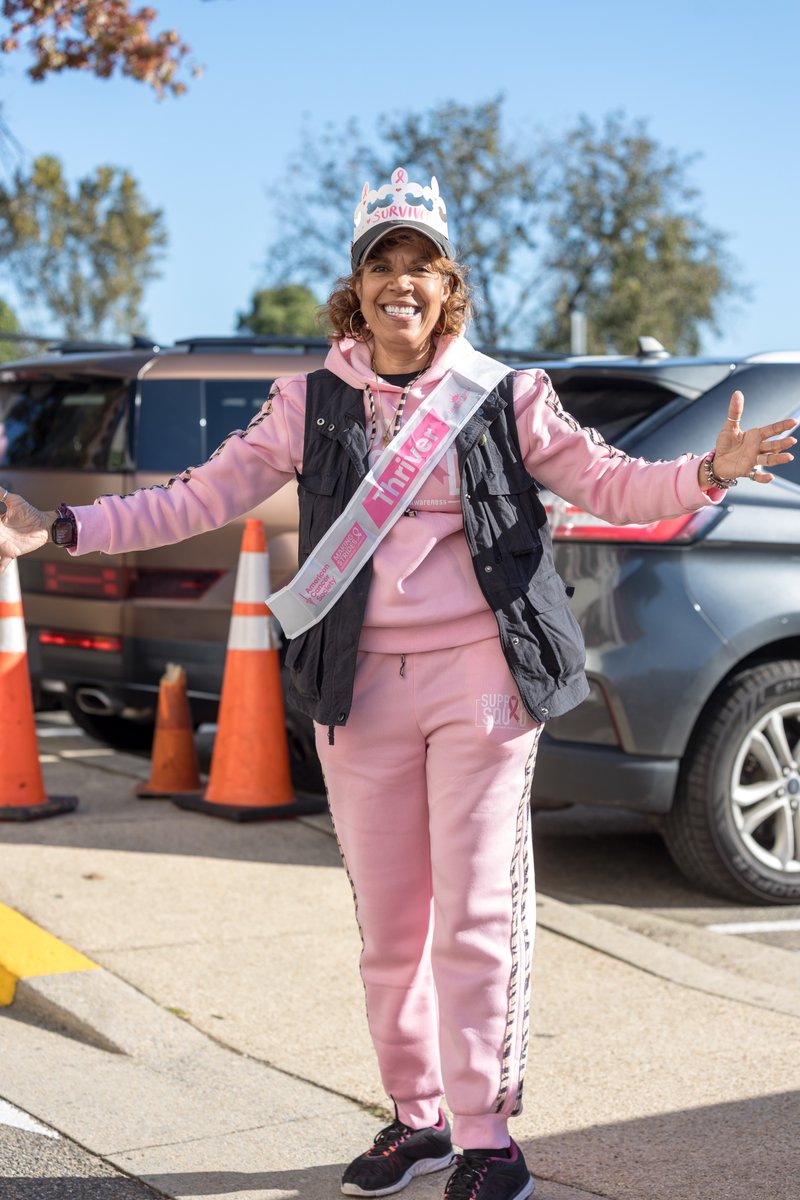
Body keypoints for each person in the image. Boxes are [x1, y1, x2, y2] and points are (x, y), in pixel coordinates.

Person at [0, 167, 795, 1200]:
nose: (401, 283)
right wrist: (62, 526)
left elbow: (608, 481)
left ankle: (484, 1136)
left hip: (480, 685)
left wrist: (704, 471)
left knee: (471, 917)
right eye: (383, 264)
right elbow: (198, 496)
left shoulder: (507, 395)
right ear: (358, 284)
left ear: (447, 284)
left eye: (420, 265)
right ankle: (414, 1119)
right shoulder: (307, 402)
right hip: (358, 690)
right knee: (388, 927)